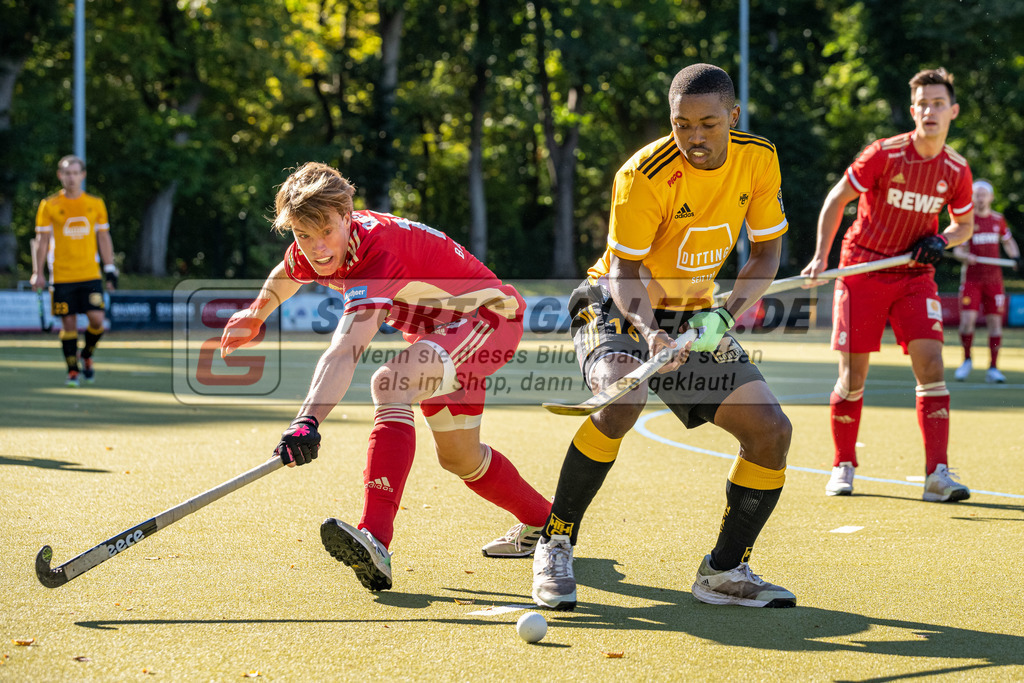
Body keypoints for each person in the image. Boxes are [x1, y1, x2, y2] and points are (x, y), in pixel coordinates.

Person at [531, 63, 795, 611]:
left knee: (770, 430)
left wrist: (725, 314)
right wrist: (651, 335)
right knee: (624, 397)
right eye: (682, 125)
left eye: (708, 124)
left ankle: (723, 572)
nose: (694, 137)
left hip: (695, 314)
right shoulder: (644, 174)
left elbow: (767, 252)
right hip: (617, 303)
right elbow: (624, 270)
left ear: (733, 116)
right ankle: (555, 540)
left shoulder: (758, 158)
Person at [220, 162, 551, 592]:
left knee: (390, 381)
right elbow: (288, 271)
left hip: (489, 318)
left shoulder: (377, 250)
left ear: (347, 215)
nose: (317, 249)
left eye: (326, 232)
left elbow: (345, 349)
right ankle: (548, 523)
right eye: (303, 235)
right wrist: (256, 312)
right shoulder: (313, 245)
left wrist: (306, 420)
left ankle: (375, 537)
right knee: (460, 459)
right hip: (439, 336)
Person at [801, 68, 974, 502]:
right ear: (913, 110)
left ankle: (937, 475)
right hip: (862, 269)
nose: (929, 111)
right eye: (922, 104)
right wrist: (821, 258)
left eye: (938, 103)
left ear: (952, 110)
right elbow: (836, 199)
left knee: (932, 365)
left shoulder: (956, 169)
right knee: (853, 376)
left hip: (915, 275)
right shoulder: (884, 154)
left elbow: (964, 225)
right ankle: (843, 465)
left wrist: (941, 239)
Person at [29, 155, 119, 387]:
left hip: (89, 274)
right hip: (62, 275)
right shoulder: (49, 205)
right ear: (60, 175)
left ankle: (86, 355)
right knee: (68, 325)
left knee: (97, 320)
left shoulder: (95, 203)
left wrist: (110, 269)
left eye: (75, 173)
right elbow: (41, 240)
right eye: (67, 173)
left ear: (83, 175)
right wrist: (37, 272)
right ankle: (72, 370)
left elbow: (104, 236)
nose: (71, 177)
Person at [952, 180, 1020, 383]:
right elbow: (957, 250)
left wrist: (1016, 258)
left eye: (984, 195)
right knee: (967, 323)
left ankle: (993, 368)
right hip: (972, 280)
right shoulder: (967, 221)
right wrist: (965, 256)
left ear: (991, 197)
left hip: (994, 281)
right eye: (977, 195)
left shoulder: (998, 220)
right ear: (972, 197)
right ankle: (966, 360)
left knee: (995, 324)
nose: (980, 198)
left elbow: (1008, 242)